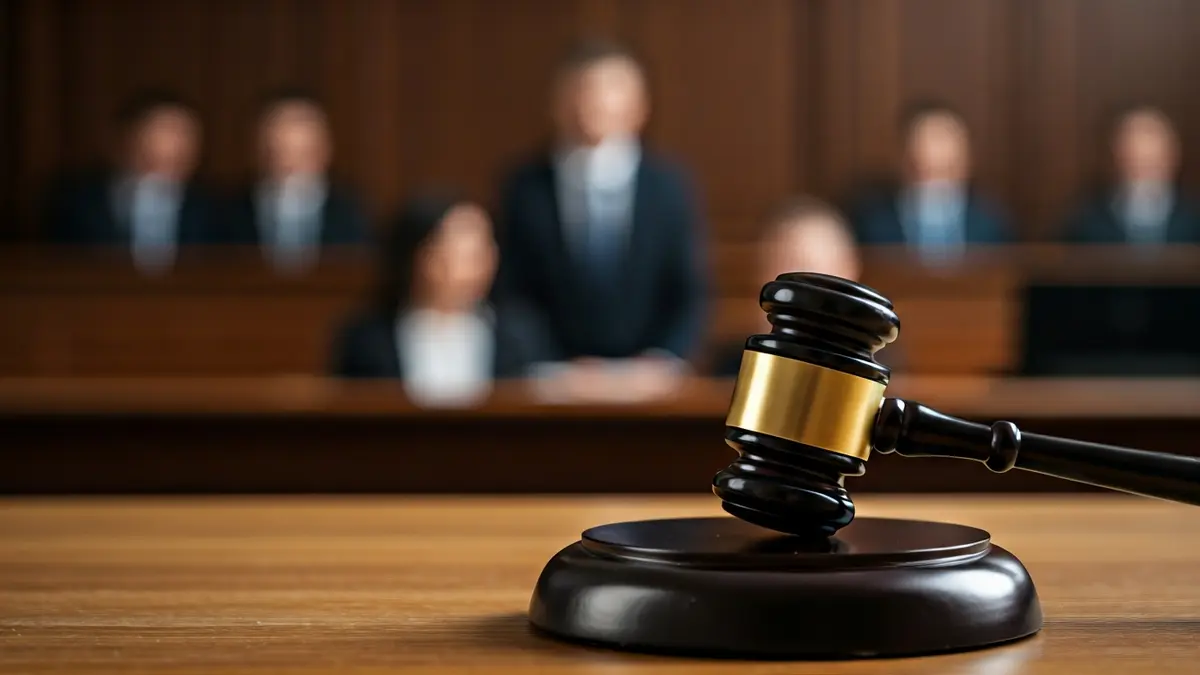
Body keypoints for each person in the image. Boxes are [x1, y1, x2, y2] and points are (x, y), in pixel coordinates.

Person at [496, 39, 708, 402]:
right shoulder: (525, 188)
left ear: (640, 105)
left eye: (610, 89)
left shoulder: (668, 187)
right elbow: (513, 291)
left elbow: (688, 291)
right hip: (554, 381)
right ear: (557, 103)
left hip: (650, 382)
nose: (593, 103)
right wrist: (551, 362)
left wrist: (661, 360)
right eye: (581, 89)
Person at [331, 193, 538, 407]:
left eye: (484, 251)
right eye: (463, 255)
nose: (480, 267)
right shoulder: (369, 340)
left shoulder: (518, 334)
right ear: (420, 257)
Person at [45, 90, 218, 273]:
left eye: (183, 134)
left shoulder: (214, 210)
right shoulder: (74, 204)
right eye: (158, 130)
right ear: (124, 138)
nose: (169, 146)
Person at [713, 197, 861, 377]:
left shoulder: (875, 370)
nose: (795, 289)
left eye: (807, 266)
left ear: (847, 270)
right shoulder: (735, 364)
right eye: (779, 264)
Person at [226, 89, 369, 272]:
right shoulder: (228, 214)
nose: (290, 169)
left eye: (302, 155)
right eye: (279, 153)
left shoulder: (350, 213)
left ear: (325, 150)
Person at [847, 101, 1009, 260]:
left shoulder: (992, 224)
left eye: (943, 169)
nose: (931, 156)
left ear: (966, 160)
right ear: (901, 158)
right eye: (923, 167)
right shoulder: (869, 223)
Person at [1064, 106, 1199, 244]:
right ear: (1117, 161)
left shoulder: (1194, 220)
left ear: (1173, 159)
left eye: (1153, 164)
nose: (1146, 178)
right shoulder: (1085, 222)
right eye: (1136, 164)